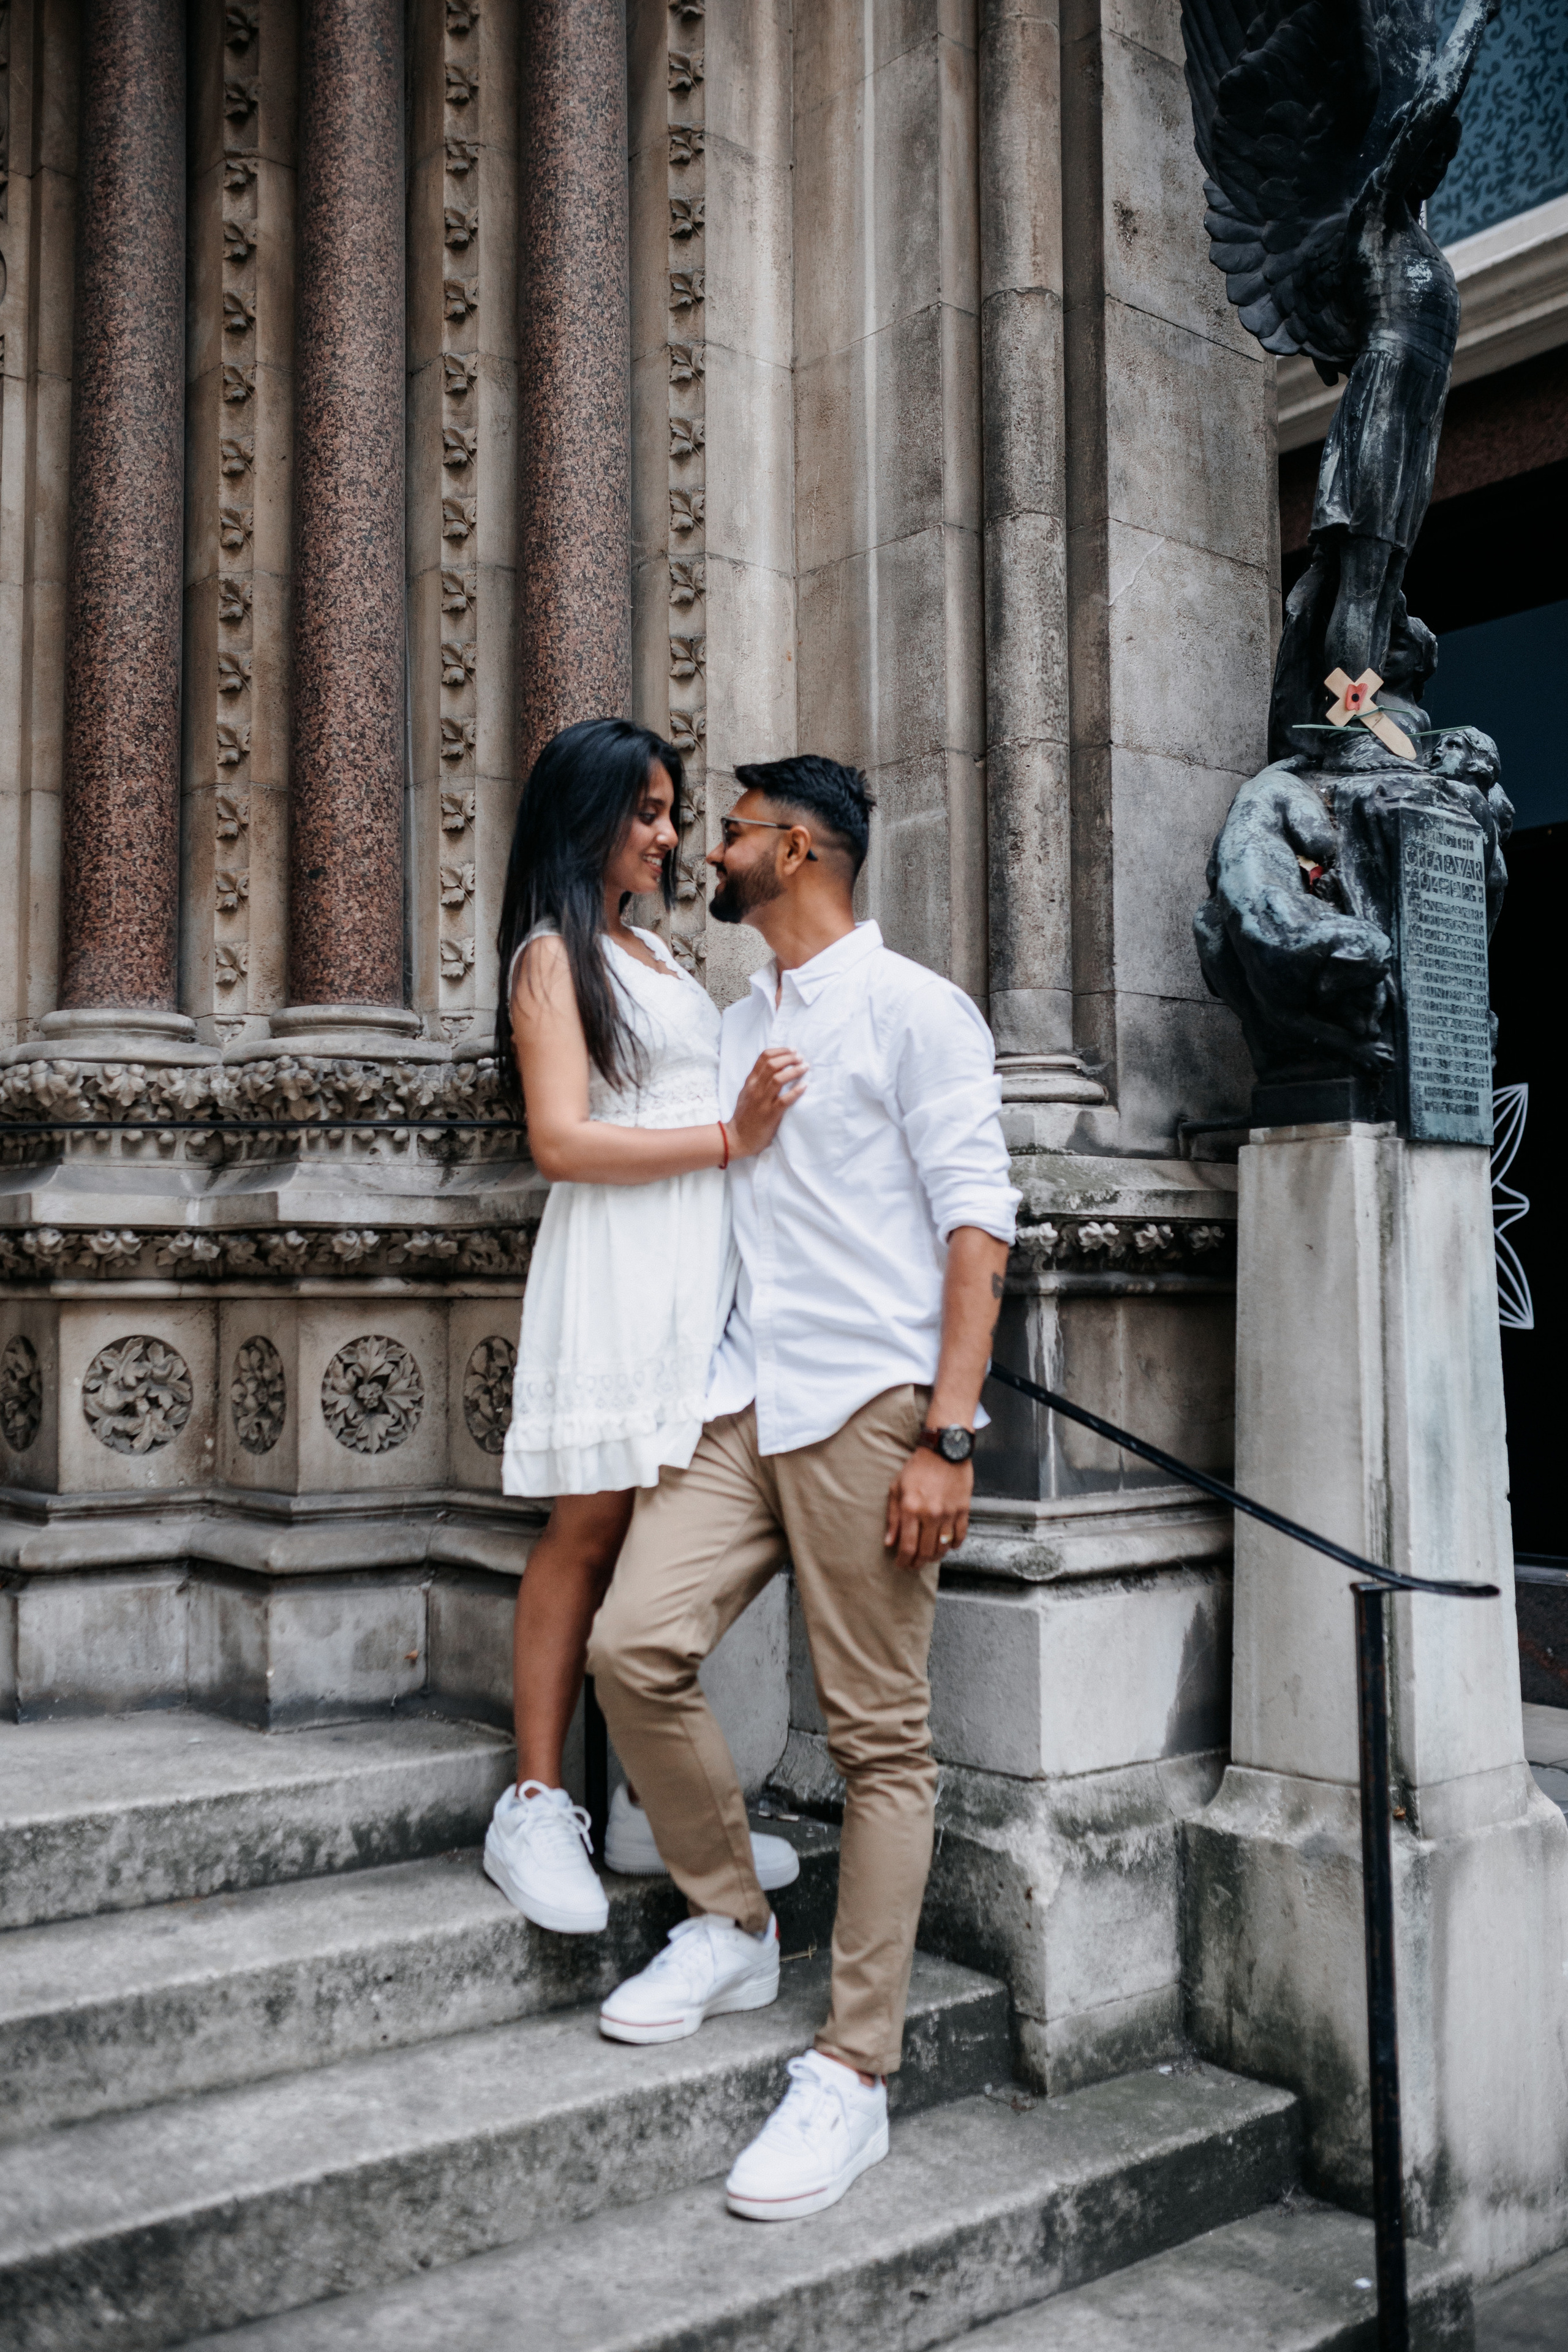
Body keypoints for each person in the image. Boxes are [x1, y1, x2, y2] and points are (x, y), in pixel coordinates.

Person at [587, 754, 1019, 2219]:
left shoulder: (916, 1011)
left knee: (876, 1745)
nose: (711, 848)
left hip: (867, 1408)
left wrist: (946, 1436)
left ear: (803, 850)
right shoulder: (731, 1021)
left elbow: (978, 1229)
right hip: (737, 1398)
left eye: (732, 830)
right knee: (631, 1648)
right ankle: (729, 1919)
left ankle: (852, 2075)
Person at [483, 717, 806, 1934]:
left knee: (667, 1531)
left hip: (699, 1263)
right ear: (591, 818)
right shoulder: (548, 958)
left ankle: (646, 1810)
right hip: (620, 1258)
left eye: (676, 814)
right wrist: (731, 1138)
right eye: (652, 812)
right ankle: (532, 1802)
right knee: (590, 1527)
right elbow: (561, 1141)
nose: (672, 836)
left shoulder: (660, 958)